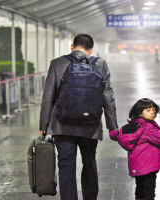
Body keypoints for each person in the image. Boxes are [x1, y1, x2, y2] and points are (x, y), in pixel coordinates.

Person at [39, 33, 118, 200]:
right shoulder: (100, 64)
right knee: (89, 163)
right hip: (90, 125)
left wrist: (43, 126)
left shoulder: (57, 63)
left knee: (66, 166)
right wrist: (112, 125)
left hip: (62, 126)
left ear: (72, 47)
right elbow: (107, 96)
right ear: (90, 50)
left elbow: (48, 97)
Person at [109, 98, 160, 200]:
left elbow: (116, 133)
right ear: (140, 113)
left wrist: (113, 133)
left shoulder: (132, 126)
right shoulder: (148, 127)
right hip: (148, 165)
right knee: (149, 190)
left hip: (137, 165)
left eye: (154, 110)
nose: (153, 112)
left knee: (140, 188)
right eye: (148, 110)